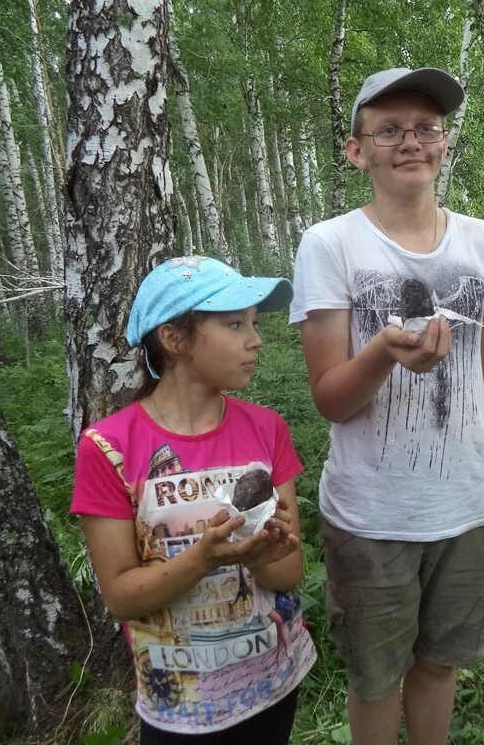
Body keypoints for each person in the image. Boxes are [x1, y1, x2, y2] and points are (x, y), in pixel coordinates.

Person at [289, 67, 484, 745]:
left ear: (446, 144)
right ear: (356, 149)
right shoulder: (330, 245)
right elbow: (332, 398)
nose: (410, 141)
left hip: (472, 504)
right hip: (373, 513)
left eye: (425, 128)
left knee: (440, 665)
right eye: (389, 129)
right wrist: (386, 353)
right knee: (375, 677)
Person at [71, 256, 316, 744]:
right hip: (179, 704)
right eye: (233, 324)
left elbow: (290, 573)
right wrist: (202, 559)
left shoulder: (266, 430)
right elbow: (120, 597)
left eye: (253, 323)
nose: (255, 340)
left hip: (272, 680)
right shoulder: (110, 448)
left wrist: (267, 554)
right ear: (174, 339)